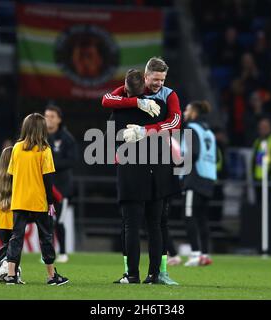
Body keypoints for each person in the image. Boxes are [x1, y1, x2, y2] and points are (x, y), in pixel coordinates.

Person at [102, 57, 181, 284]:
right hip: (153, 168)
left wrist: (146, 130)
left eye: (162, 80)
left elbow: (175, 122)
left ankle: (140, 274)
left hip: (141, 169)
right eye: (155, 79)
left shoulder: (168, 95)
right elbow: (106, 99)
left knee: (139, 224)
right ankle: (149, 274)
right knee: (149, 224)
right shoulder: (147, 102)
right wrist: (137, 104)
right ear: (146, 77)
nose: (159, 84)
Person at [4, 113, 69, 285]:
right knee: (46, 238)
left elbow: (11, 175)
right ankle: (51, 276)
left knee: (16, 237)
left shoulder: (16, 148)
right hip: (38, 201)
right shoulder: (44, 150)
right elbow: (47, 179)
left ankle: (11, 275)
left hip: (19, 200)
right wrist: (50, 201)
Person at [180, 101, 217, 267]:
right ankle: (204, 254)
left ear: (194, 112)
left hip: (194, 177)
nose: (184, 112)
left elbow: (193, 153)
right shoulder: (209, 132)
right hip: (208, 177)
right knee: (202, 218)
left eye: (187, 109)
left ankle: (194, 254)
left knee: (189, 216)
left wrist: (177, 163)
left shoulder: (191, 128)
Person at [44, 104, 78, 263]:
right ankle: (47, 253)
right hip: (44, 186)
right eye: (46, 116)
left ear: (58, 119)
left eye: (52, 116)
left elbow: (72, 160)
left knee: (59, 220)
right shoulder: (41, 137)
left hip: (62, 187)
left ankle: (63, 252)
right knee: (45, 220)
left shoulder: (66, 138)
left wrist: (50, 164)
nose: (48, 119)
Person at [0, 147, 25, 284]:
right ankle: (2, 267)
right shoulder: (16, 177)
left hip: (2, 221)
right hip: (14, 219)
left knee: (8, 246)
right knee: (15, 248)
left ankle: (0, 266)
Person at [251, 117, 271, 206]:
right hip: (257, 178)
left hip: (268, 178)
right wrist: (253, 174)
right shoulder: (258, 141)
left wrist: (268, 176)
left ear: (270, 128)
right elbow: (254, 160)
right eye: (261, 127)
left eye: (265, 127)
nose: (262, 129)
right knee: (258, 203)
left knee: (267, 204)